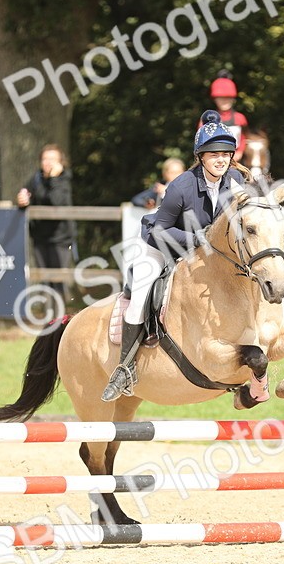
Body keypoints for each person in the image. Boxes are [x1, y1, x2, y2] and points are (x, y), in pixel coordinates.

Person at [102, 110, 249, 402]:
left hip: (203, 252)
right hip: (161, 246)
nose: (220, 159)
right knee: (141, 292)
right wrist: (198, 239)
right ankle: (125, 368)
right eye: (213, 154)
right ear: (201, 157)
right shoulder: (181, 186)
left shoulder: (234, 181)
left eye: (225, 153)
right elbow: (159, 230)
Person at [17, 144, 76, 303]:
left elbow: (56, 201)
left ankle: (61, 321)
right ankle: (48, 321)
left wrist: (54, 178)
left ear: (61, 162)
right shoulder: (36, 179)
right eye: (45, 159)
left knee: (58, 282)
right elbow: (25, 196)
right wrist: (23, 199)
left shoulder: (63, 180)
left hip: (60, 239)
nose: (48, 163)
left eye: (52, 159)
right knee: (44, 282)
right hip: (40, 237)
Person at [203, 70, 249, 161]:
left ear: (233, 99)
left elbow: (244, 138)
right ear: (215, 99)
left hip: (237, 161)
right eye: (221, 98)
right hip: (214, 162)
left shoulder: (240, 119)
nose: (224, 101)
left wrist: (240, 152)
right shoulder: (207, 119)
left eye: (228, 98)